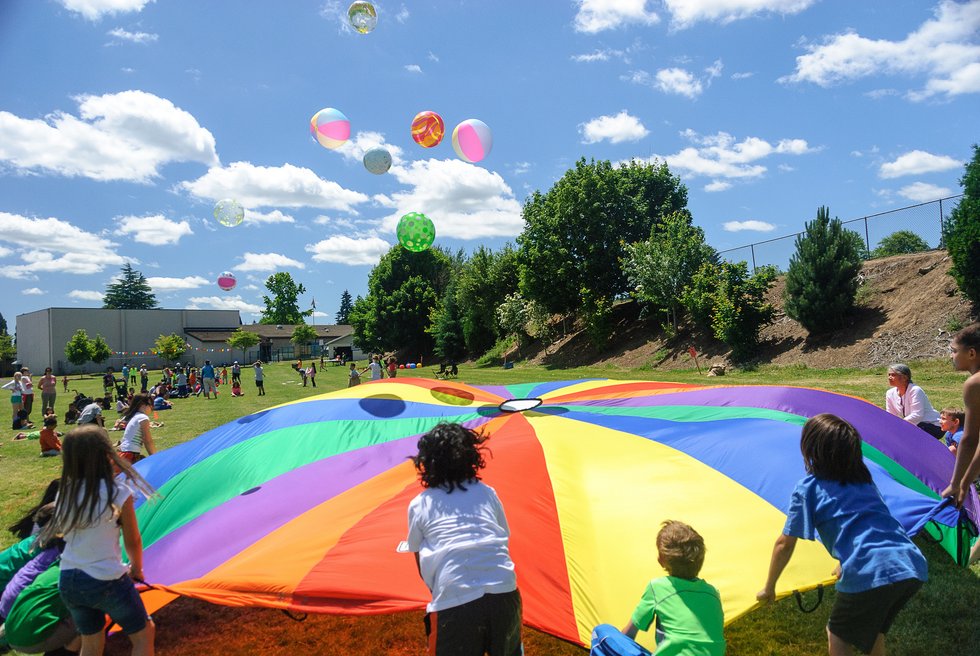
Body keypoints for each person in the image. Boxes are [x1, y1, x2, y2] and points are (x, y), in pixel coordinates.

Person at [757, 414, 927, 656]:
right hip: (911, 564)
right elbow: (867, 522)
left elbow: (784, 544)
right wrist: (845, 560)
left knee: (837, 633)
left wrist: (769, 587)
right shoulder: (864, 482)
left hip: (869, 569)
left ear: (811, 449)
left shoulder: (809, 488)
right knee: (874, 632)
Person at [403, 423, 522, 656]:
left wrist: (443, 590)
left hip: (455, 598)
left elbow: (418, 558)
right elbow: (502, 540)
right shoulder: (487, 493)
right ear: (472, 458)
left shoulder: (421, 504)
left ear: (426, 463)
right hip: (505, 592)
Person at [38, 424, 156, 656]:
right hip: (105, 579)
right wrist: (136, 569)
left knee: (91, 642)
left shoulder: (65, 492)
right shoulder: (116, 491)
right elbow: (132, 539)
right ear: (106, 453)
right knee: (144, 634)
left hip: (69, 579)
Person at [943, 323, 980, 512]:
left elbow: (971, 438)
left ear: (971, 353)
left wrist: (957, 483)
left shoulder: (974, 384)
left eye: (954, 351)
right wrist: (965, 480)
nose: (951, 356)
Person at [884, 363, 943, 439]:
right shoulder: (890, 393)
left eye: (893, 375)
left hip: (932, 425)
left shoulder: (915, 390)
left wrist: (900, 425)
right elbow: (891, 415)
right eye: (889, 375)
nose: (889, 377)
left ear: (904, 378)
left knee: (905, 436)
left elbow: (917, 415)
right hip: (914, 425)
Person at [118, 394, 156, 466]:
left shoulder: (136, 416)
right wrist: (155, 457)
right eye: (150, 405)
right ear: (142, 405)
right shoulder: (143, 418)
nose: (152, 408)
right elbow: (147, 440)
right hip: (130, 454)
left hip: (124, 452)